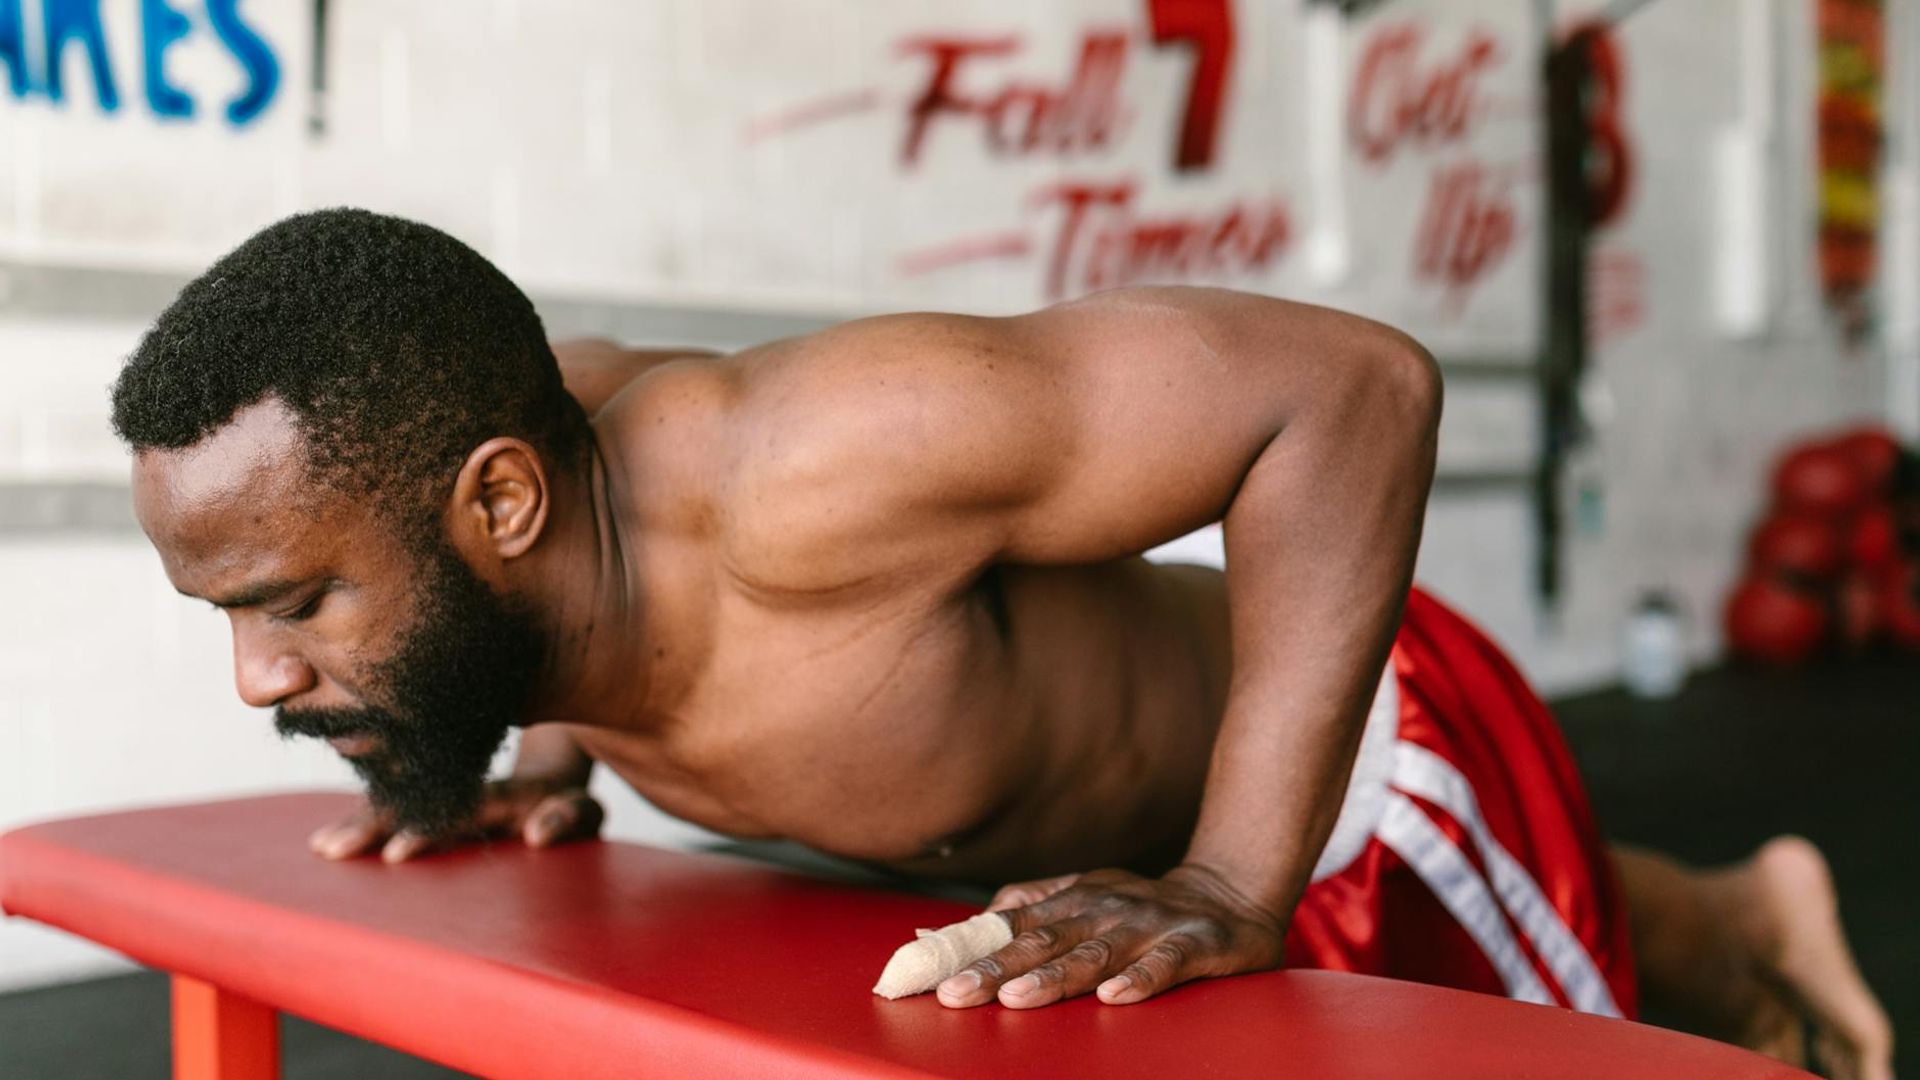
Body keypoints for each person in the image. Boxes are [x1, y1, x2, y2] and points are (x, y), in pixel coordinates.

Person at [112, 209, 1891, 1077]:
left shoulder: (817, 465)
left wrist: (1228, 875)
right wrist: (530, 753)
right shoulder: (512, 464)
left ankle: (1737, 942)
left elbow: (1350, 388)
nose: (261, 680)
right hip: (1116, 822)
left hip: (1372, 779)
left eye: (293, 609)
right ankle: (1750, 908)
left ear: (501, 508)